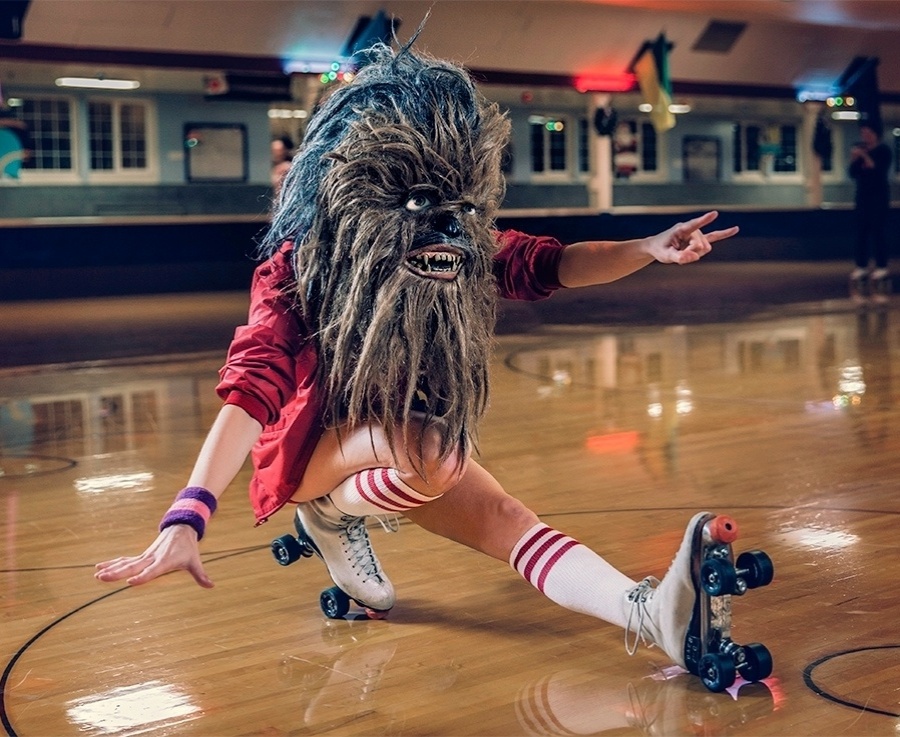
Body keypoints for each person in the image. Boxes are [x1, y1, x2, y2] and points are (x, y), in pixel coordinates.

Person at [95, 41, 740, 675]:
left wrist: (647, 247)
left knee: (505, 516)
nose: (446, 222)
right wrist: (188, 516)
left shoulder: (454, 237)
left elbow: (550, 264)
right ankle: (323, 510)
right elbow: (250, 392)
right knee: (432, 452)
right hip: (306, 451)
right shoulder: (297, 268)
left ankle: (652, 617)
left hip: (398, 442)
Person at [848, 122, 892, 291]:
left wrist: (865, 157)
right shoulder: (861, 150)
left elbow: (877, 170)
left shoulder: (883, 151)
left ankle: (881, 266)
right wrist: (855, 158)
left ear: (876, 134)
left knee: (877, 231)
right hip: (863, 197)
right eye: (863, 133)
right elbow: (853, 173)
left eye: (868, 132)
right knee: (861, 232)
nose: (865, 136)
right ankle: (862, 266)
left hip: (878, 198)